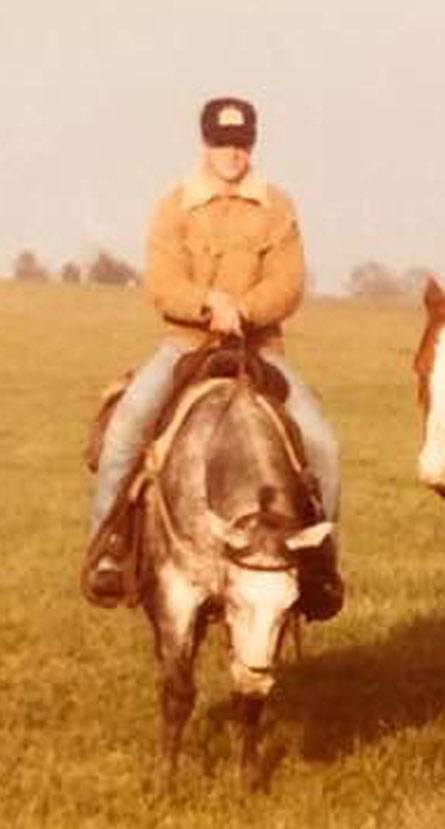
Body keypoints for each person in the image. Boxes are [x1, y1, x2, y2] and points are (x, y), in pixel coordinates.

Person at [87, 96, 343, 618]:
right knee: (124, 433)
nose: (234, 153)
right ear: (205, 144)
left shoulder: (278, 205)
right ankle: (108, 549)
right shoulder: (175, 204)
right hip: (187, 343)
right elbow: (162, 281)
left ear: (253, 145)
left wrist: (244, 310)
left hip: (260, 348)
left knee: (323, 446)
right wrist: (208, 303)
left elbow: (288, 282)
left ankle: (318, 565)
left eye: (243, 143)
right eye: (224, 143)